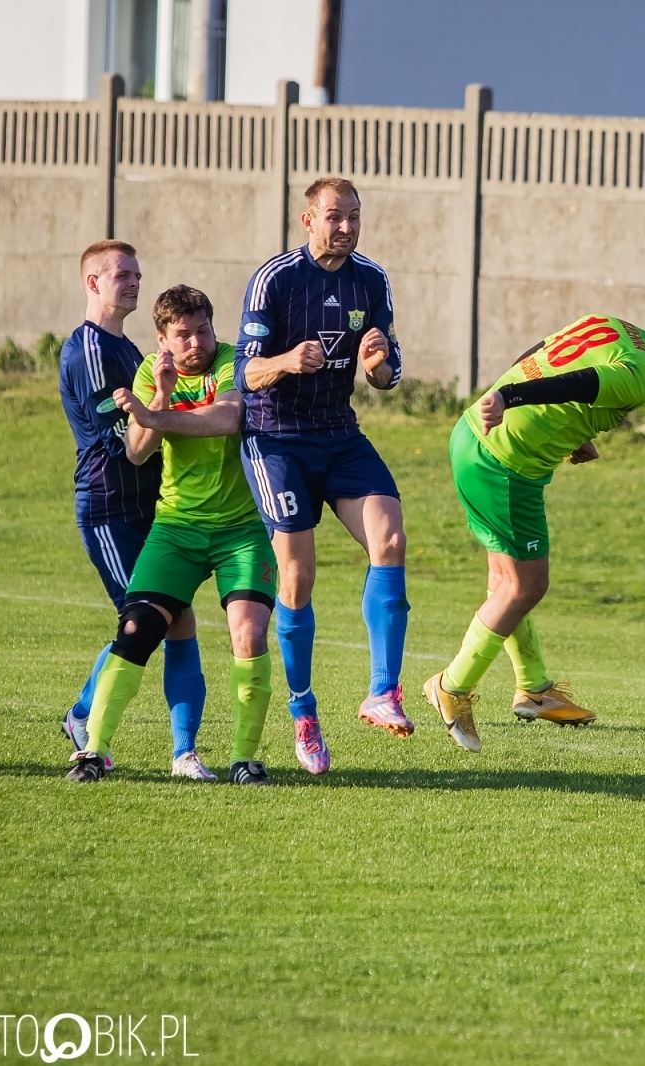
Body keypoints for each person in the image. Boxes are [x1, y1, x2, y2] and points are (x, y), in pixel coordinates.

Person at [420, 315, 645, 750]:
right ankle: (452, 686)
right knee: (526, 586)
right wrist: (507, 398)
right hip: (505, 464)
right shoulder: (643, 376)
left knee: (506, 582)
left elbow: (540, 356)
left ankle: (534, 689)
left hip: (473, 436)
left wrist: (556, 422)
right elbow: (577, 384)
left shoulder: (613, 324)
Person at [234, 177, 411, 776]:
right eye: (335, 216)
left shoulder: (371, 280)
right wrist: (287, 361)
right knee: (297, 576)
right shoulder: (275, 279)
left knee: (391, 539)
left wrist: (378, 364)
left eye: (354, 216)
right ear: (308, 220)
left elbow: (388, 373)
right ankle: (303, 711)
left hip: (339, 432)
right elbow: (243, 373)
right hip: (276, 437)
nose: (347, 227)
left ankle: (383, 692)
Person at [66, 286, 277, 785]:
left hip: (241, 530)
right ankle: (93, 752)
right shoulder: (149, 372)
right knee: (136, 629)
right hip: (176, 528)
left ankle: (244, 760)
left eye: (203, 330)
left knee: (248, 633)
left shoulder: (232, 361)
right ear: (162, 339)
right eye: (183, 335)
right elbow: (137, 451)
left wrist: (154, 415)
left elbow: (228, 416)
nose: (197, 342)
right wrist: (158, 396)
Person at [57, 240, 208, 778]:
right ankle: (84, 717)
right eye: (122, 274)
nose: (134, 282)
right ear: (92, 283)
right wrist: (166, 411)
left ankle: (184, 751)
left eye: (137, 274)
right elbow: (126, 440)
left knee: (173, 617)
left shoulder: (127, 349)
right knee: (147, 621)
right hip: (110, 508)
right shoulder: (89, 350)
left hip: (148, 507)